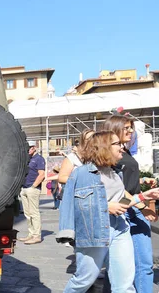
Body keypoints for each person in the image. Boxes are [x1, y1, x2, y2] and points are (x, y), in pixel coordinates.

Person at [59, 131, 159, 292]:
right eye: (117, 144)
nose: (122, 147)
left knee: (125, 284)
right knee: (83, 280)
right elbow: (73, 205)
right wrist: (106, 206)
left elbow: (122, 203)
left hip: (120, 229)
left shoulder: (115, 173)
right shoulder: (82, 173)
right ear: (104, 147)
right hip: (94, 232)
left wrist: (143, 196)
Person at [101, 115, 156, 293]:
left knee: (126, 266)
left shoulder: (123, 152)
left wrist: (143, 180)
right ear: (114, 128)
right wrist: (140, 205)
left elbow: (126, 184)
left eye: (131, 127)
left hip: (130, 208)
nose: (131, 131)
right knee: (135, 266)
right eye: (126, 127)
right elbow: (118, 188)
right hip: (126, 210)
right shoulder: (111, 155)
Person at [18, 140, 45, 245]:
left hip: (32, 189)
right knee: (27, 213)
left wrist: (34, 186)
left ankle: (36, 236)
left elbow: (42, 174)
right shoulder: (28, 159)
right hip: (24, 188)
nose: (27, 150)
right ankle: (31, 234)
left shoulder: (39, 159)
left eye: (29, 148)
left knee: (34, 213)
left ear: (34, 148)